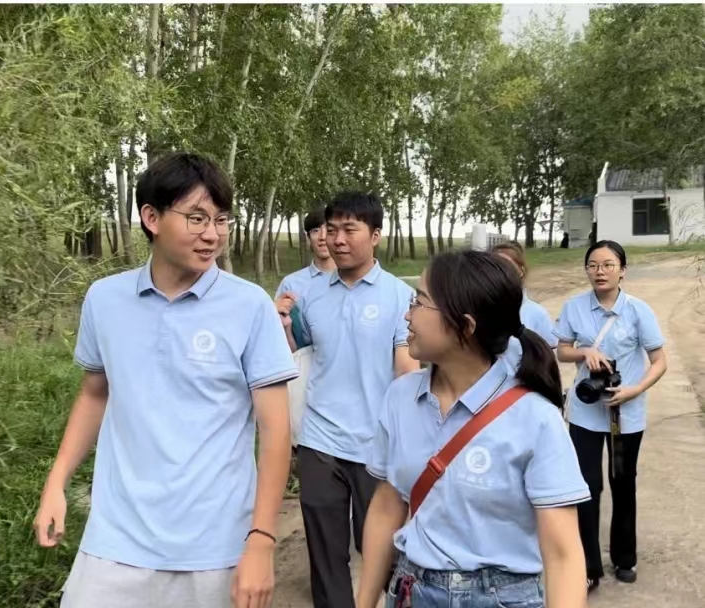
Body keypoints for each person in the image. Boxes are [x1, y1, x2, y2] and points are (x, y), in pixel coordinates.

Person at [33, 151, 298, 608]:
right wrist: (56, 483)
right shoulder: (105, 300)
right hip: (115, 541)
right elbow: (95, 394)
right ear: (151, 218)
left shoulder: (250, 306)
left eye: (221, 219)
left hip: (216, 547)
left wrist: (261, 540)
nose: (212, 234)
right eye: (197, 218)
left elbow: (276, 431)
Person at [356, 250, 590, 608]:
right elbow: (388, 505)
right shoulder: (400, 397)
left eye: (419, 302)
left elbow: (563, 556)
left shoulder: (536, 418)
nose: (407, 314)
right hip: (413, 592)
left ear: (465, 327)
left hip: (502, 598)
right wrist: (364, 600)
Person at [284, 190, 419, 608]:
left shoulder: (399, 296)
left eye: (349, 229)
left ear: (375, 235)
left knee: (382, 549)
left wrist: (406, 438)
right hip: (319, 440)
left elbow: (407, 370)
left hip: (375, 445)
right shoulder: (311, 294)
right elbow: (299, 356)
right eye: (331, 229)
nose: (337, 239)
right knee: (325, 555)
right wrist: (283, 325)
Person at [555, 240, 667, 592]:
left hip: (625, 415)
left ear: (622, 270)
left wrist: (635, 390)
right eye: (593, 265)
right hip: (586, 414)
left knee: (623, 482)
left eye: (607, 265)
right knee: (586, 487)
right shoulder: (574, 307)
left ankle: (625, 558)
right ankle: (587, 567)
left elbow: (659, 361)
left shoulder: (638, 311)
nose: (599, 271)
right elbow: (561, 351)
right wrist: (583, 352)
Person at [274, 207, 336, 349]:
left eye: (329, 230)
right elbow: (281, 343)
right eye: (315, 231)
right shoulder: (291, 284)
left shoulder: (354, 280)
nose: (322, 237)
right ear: (308, 238)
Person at [491, 241, 557, 348]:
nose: (500, 272)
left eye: (506, 266)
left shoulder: (536, 313)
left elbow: (549, 348)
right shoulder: (475, 310)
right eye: (493, 266)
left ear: (521, 271)